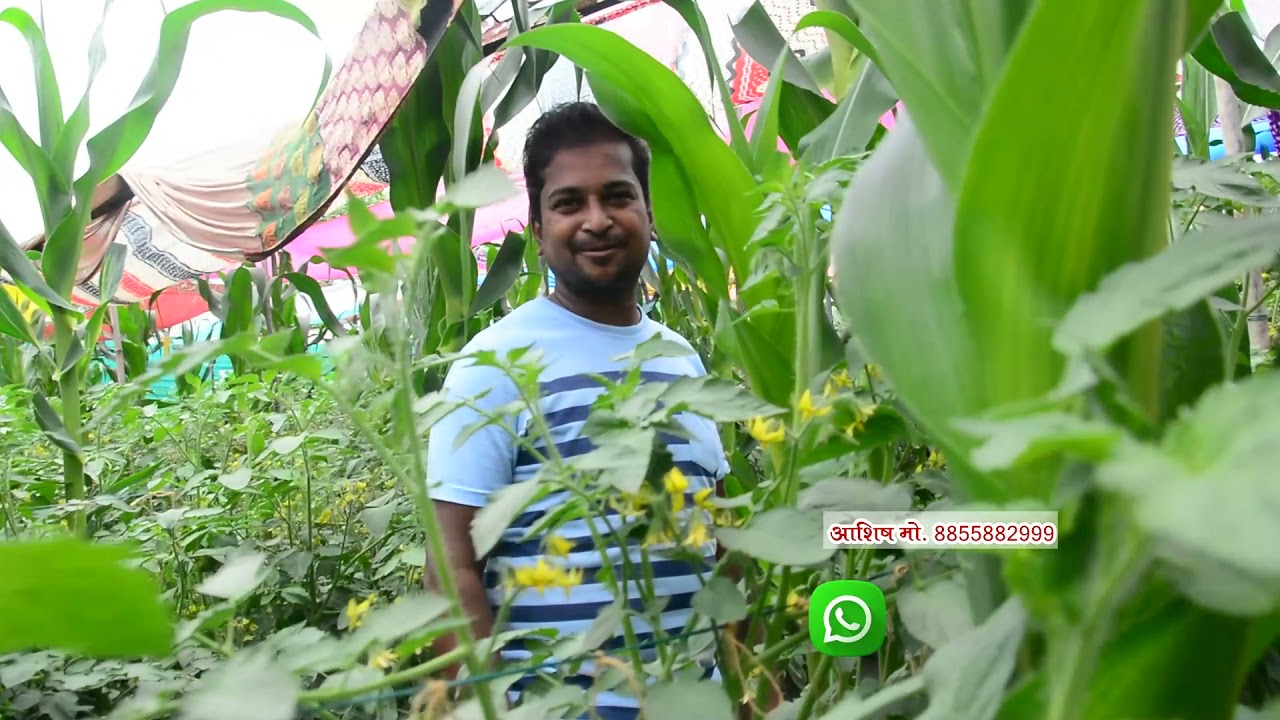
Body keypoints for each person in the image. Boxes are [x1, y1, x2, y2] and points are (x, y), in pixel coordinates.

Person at [423, 101, 734, 718]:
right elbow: (452, 566)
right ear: (538, 231)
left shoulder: (680, 360)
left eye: (618, 196)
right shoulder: (494, 366)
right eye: (569, 203)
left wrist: (750, 690)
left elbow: (719, 544)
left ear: (648, 213)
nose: (598, 220)